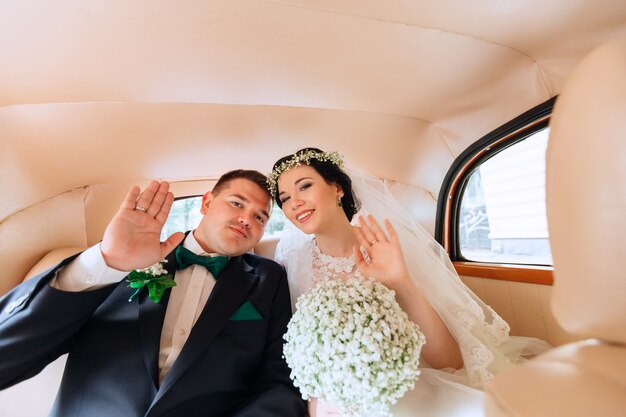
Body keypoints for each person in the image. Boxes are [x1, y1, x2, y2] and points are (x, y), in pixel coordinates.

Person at [0, 170, 307, 417]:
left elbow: (279, 381)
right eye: (238, 203)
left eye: (260, 218)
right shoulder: (127, 258)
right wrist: (109, 260)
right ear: (206, 203)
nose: (247, 220)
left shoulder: (269, 279)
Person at [270, 148, 550, 417]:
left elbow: (450, 362)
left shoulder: (388, 246)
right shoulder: (290, 263)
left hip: (411, 386)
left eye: (304, 186)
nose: (293, 202)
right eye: (284, 198)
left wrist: (400, 281)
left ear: (337, 188)